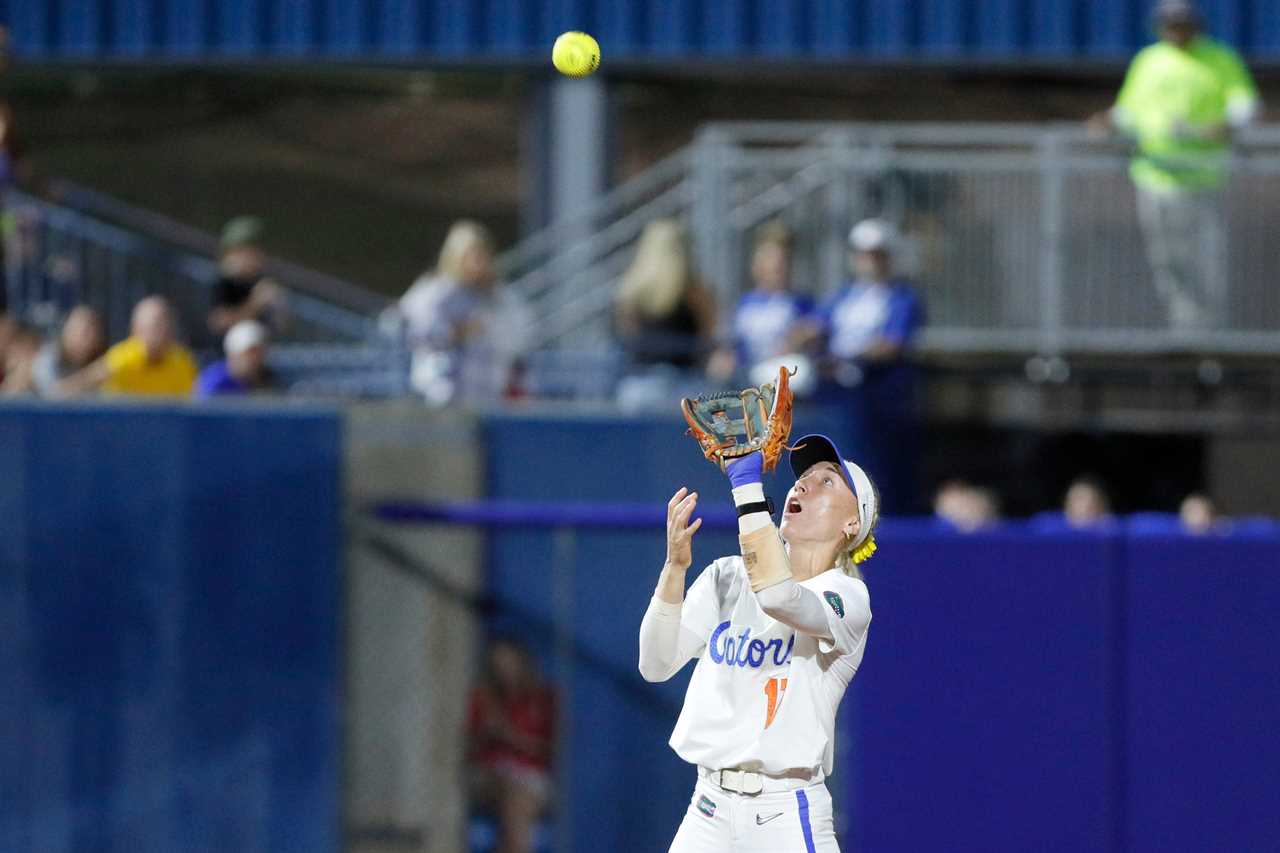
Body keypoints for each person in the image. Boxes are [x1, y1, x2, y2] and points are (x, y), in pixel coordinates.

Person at [639, 433, 877, 853]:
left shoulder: (847, 597)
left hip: (786, 814)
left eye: (827, 481)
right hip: (707, 808)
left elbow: (778, 596)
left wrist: (747, 487)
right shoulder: (727, 577)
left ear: (852, 524)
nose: (803, 484)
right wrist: (675, 568)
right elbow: (655, 664)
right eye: (803, 476)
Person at [1087, 0, 1260, 331]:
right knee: (1167, 256)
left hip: (1204, 177)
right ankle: (1182, 327)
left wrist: (1223, 126)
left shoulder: (1219, 58)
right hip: (1156, 176)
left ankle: (1212, 329)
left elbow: (1245, 107)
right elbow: (1130, 111)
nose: (1175, 31)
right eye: (1169, 24)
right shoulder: (1148, 61)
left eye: (1181, 24)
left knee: (1208, 256)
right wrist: (1107, 121)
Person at [795, 218, 924, 513]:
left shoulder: (902, 297)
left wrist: (850, 357)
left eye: (877, 254)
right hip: (838, 387)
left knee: (875, 462)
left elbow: (891, 345)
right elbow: (815, 325)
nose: (870, 262)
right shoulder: (845, 295)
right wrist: (800, 336)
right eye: (864, 254)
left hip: (875, 393)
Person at [396, 220, 532, 406]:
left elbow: (518, 337)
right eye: (470, 255)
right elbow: (414, 332)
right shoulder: (435, 292)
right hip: (442, 395)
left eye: (481, 255)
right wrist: (457, 331)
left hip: (488, 394)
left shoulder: (500, 296)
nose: (476, 263)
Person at [466, 638, 556, 853]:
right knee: (511, 793)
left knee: (517, 800)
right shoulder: (483, 699)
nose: (504, 671)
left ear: (522, 663)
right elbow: (469, 750)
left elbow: (549, 751)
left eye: (508, 663)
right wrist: (488, 735)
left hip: (531, 779)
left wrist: (510, 737)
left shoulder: (543, 699)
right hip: (490, 777)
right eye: (497, 665)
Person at [707, 221, 812, 385]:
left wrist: (797, 339)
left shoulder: (800, 302)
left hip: (779, 374)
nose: (777, 269)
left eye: (782, 263)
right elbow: (731, 343)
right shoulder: (745, 303)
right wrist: (725, 357)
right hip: (746, 373)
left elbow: (808, 334)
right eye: (770, 262)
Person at [614, 219, 717, 372]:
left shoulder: (630, 292)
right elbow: (708, 335)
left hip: (640, 380)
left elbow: (627, 335)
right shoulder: (695, 292)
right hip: (686, 379)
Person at [56, 296, 197, 398]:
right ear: (135, 330)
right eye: (154, 326)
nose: (161, 332)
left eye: (165, 324)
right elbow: (79, 384)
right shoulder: (123, 358)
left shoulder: (182, 362)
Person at [207, 215, 287, 343]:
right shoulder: (220, 283)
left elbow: (281, 327)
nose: (257, 257)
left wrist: (279, 307)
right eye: (250, 252)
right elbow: (219, 324)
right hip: (225, 359)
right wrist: (256, 303)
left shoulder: (259, 282)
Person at [30, 305, 106, 396]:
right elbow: (50, 395)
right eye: (81, 330)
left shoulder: (103, 361)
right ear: (66, 330)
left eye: (92, 330)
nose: (87, 336)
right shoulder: (48, 359)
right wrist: (89, 377)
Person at [195, 320, 275, 398]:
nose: (254, 358)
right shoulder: (215, 381)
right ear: (232, 354)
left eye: (259, 352)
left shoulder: (269, 378)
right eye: (249, 352)